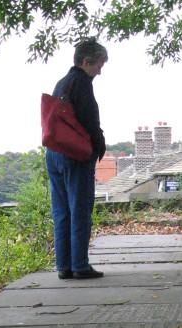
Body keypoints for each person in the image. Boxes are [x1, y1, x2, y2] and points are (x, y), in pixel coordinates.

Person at [46, 38, 108, 281]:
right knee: (80, 210)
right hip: (75, 154)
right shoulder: (81, 82)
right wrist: (99, 144)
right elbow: (88, 120)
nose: (100, 71)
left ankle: (64, 266)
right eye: (99, 65)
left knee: (61, 212)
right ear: (86, 62)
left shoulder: (61, 83)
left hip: (54, 153)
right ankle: (80, 265)